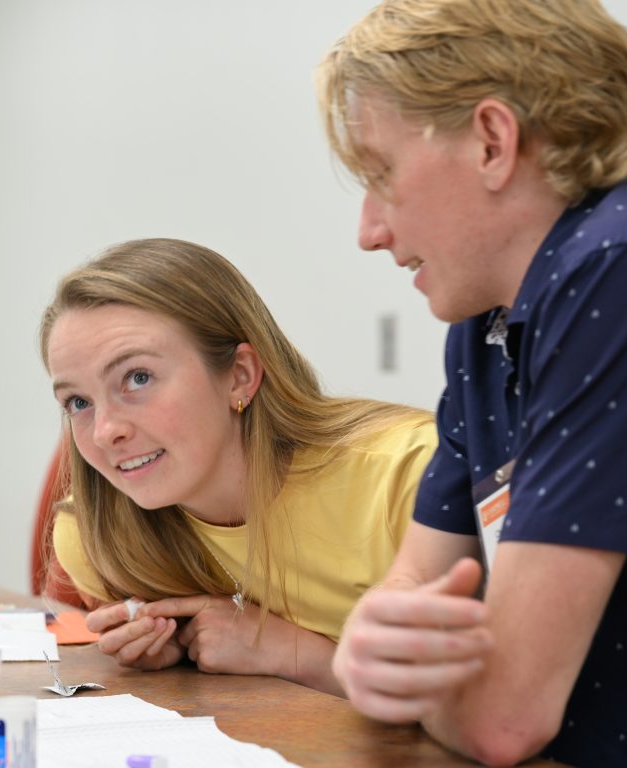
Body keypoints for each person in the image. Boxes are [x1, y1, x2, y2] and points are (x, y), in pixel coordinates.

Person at [317, 1, 627, 765]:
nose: (368, 230)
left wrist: (389, 677)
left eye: (381, 174)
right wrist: (369, 655)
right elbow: (411, 601)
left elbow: (503, 717)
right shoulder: (487, 324)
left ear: (493, 141)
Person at [39, 237, 435, 695]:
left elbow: (503, 709)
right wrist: (174, 652)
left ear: (240, 376)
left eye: (138, 378)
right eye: (79, 401)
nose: (106, 431)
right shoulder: (98, 533)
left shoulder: (411, 475)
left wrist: (291, 654)